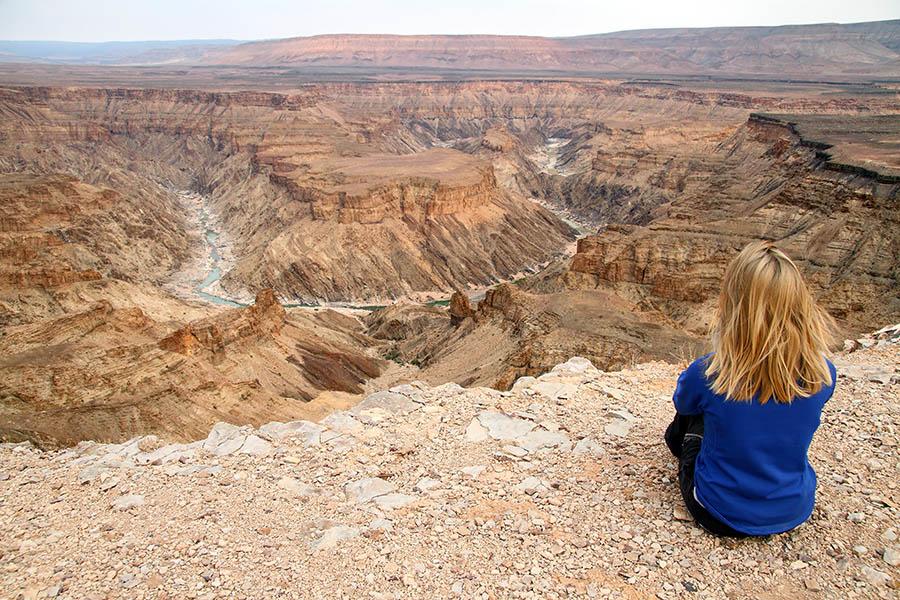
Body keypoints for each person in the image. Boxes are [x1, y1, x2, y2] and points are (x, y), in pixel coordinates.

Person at [665, 241, 837, 537]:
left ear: (734, 303)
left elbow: (682, 403)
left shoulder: (712, 374)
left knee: (692, 416)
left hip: (717, 511)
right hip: (793, 510)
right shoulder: (823, 374)